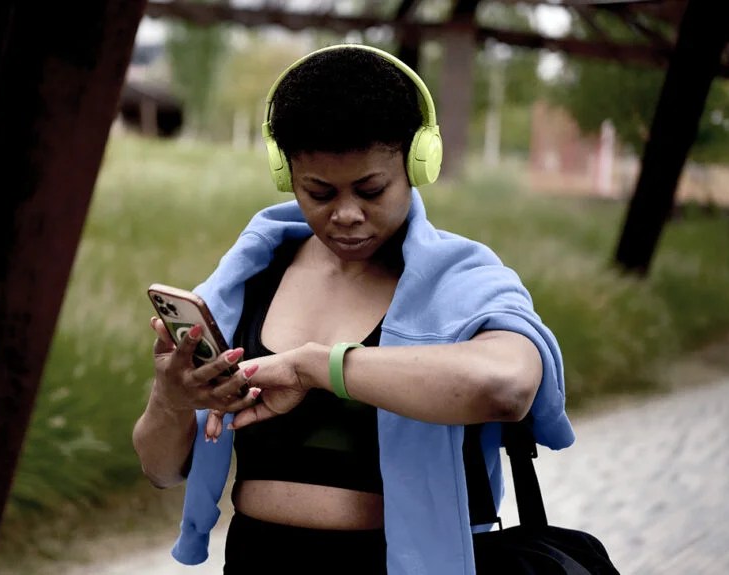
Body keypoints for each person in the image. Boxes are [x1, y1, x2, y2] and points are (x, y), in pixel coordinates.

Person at [132, 44, 575, 574]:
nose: (345, 214)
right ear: (286, 173)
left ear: (418, 162)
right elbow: (160, 470)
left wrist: (315, 368)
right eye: (319, 193)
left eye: (371, 190)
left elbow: (506, 387)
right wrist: (171, 399)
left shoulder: (465, 280)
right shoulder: (247, 280)